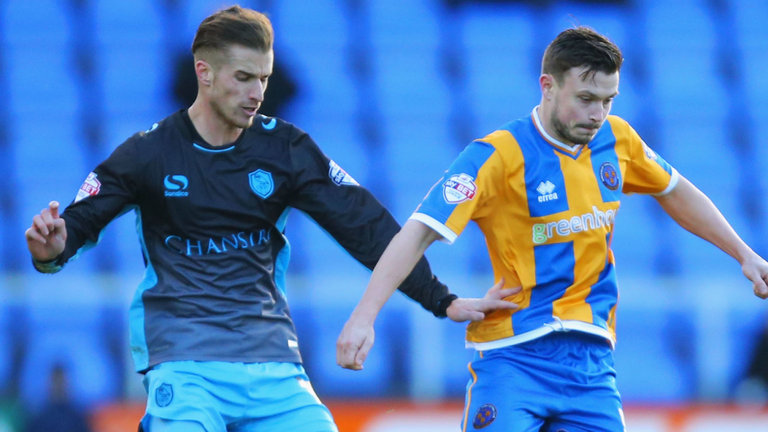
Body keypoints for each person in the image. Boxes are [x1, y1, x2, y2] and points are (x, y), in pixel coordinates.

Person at [23, 6, 513, 432]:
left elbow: (366, 226)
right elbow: (77, 226)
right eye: (243, 77)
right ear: (204, 73)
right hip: (183, 359)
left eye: (264, 78)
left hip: (271, 360)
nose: (257, 92)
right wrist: (53, 250)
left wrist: (438, 299)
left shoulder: (287, 150)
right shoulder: (148, 154)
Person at [336, 26, 768, 431]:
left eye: (608, 100)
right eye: (585, 98)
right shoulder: (496, 156)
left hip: (592, 361)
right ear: (548, 86)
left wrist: (743, 253)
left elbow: (675, 190)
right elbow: (418, 231)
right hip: (515, 355)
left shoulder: (617, 140)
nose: (598, 113)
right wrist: (364, 316)